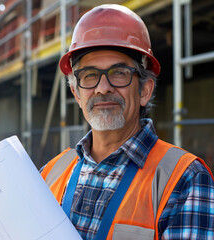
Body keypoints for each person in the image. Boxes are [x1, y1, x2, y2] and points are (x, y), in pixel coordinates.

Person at [41, 4, 214, 240]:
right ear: (76, 94)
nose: (103, 88)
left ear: (144, 90)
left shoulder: (185, 179)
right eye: (89, 75)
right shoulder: (50, 173)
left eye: (119, 73)